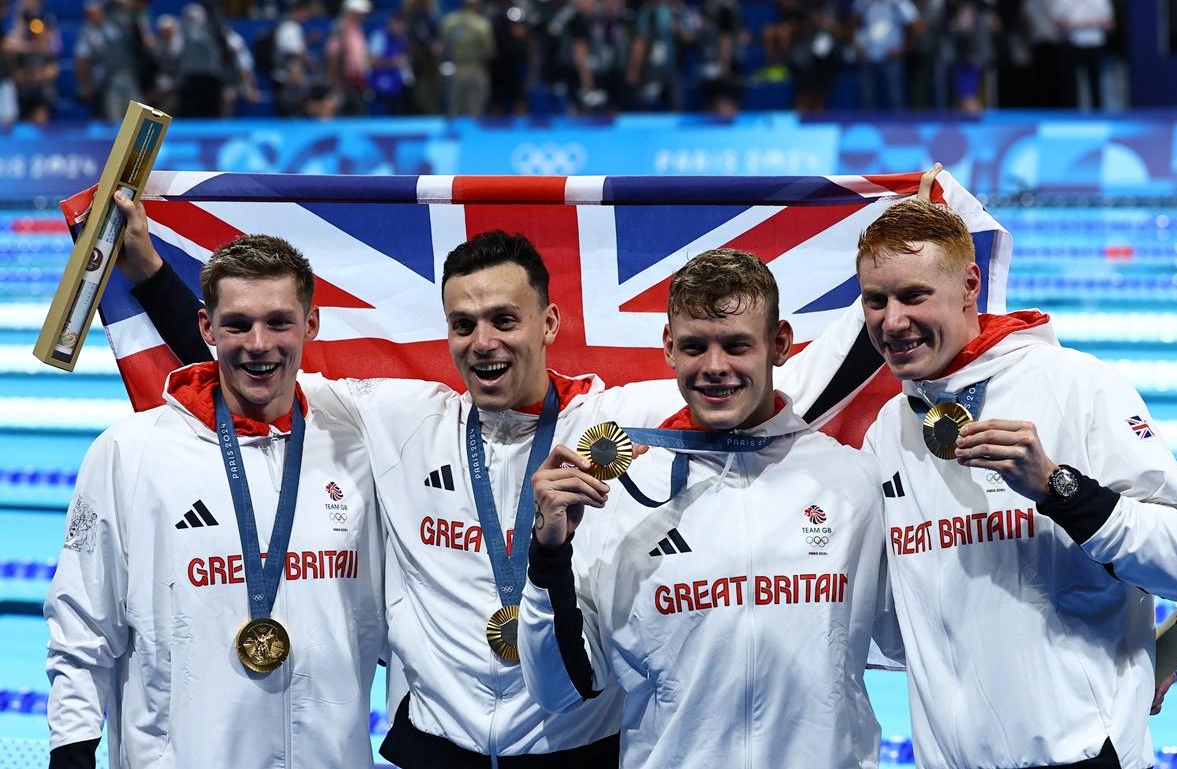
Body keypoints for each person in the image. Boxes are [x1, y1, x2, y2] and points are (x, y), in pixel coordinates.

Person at [115, 196, 851, 766]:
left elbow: (773, 381)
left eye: (505, 318)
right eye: (464, 324)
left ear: (549, 321)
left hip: (576, 754)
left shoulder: (611, 419)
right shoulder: (401, 418)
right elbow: (260, 365)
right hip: (439, 753)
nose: (485, 341)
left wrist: (897, 283)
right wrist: (148, 268)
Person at [519, 248, 900, 767]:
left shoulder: (849, 481)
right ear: (670, 348)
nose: (715, 368)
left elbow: (906, 638)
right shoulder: (619, 495)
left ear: (780, 344)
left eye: (737, 345)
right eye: (695, 347)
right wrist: (548, 554)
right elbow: (561, 690)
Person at [856, 197, 1177, 768]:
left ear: (970, 284)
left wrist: (1060, 489)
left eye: (914, 295)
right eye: (876, 300)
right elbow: (895, 629)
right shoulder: (888, 431)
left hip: (1084, 757)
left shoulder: (1077, 387)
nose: (892, 321)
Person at [44, 228, 385, 767]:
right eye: (237, 324)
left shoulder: (358, 444)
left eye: (279, 322)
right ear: (206, 327)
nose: (258, 344)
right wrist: (72, 745)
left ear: (311, 324)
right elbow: (83, 623)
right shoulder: (130, 452)